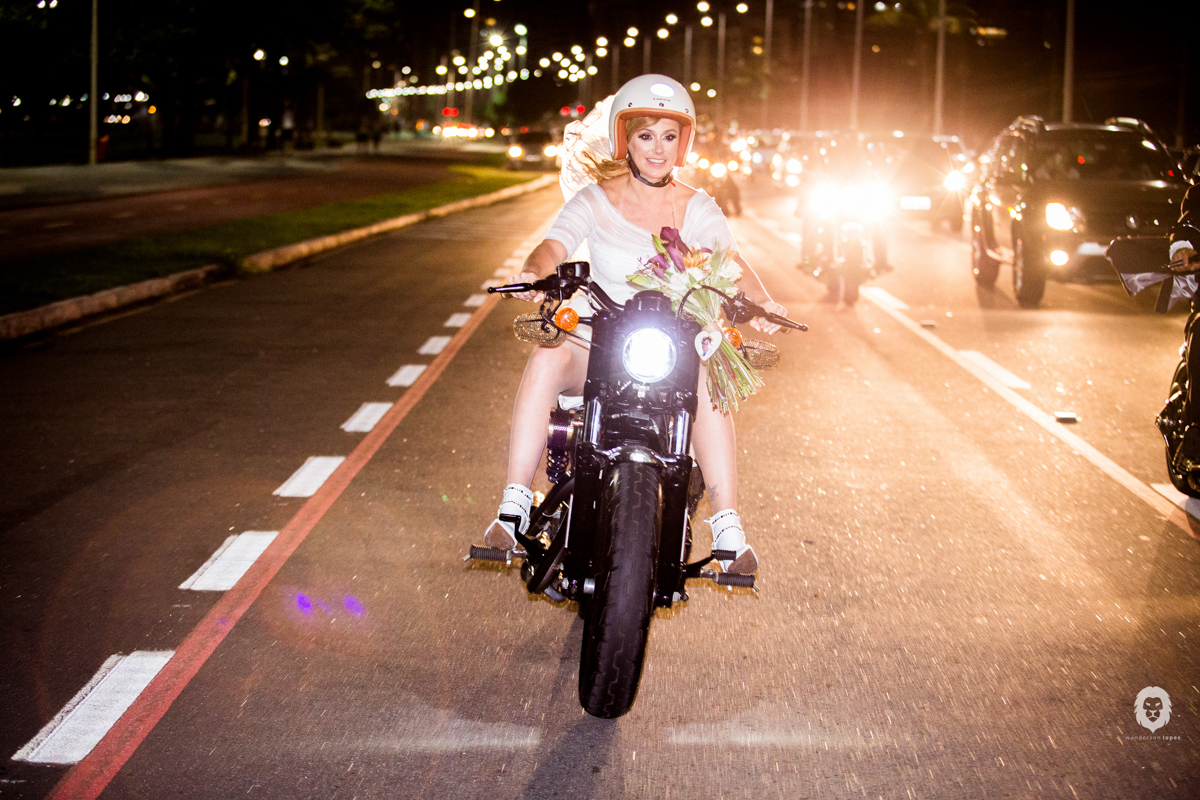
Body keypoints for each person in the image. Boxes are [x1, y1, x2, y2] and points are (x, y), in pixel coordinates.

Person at [482, 75, 789, 574]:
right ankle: (513, 505)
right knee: (547, 355)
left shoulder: (697, 206)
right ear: (625, 138)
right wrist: (535, 274)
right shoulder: (595, 199)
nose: (658, 149)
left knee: (710, 375)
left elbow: (732, 263)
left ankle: (728, 529)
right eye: (646, 135)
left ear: (682, 143)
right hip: (598, 342)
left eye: (669, 136)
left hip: (672, 346)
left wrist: (763, 302)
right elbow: (554, 246)